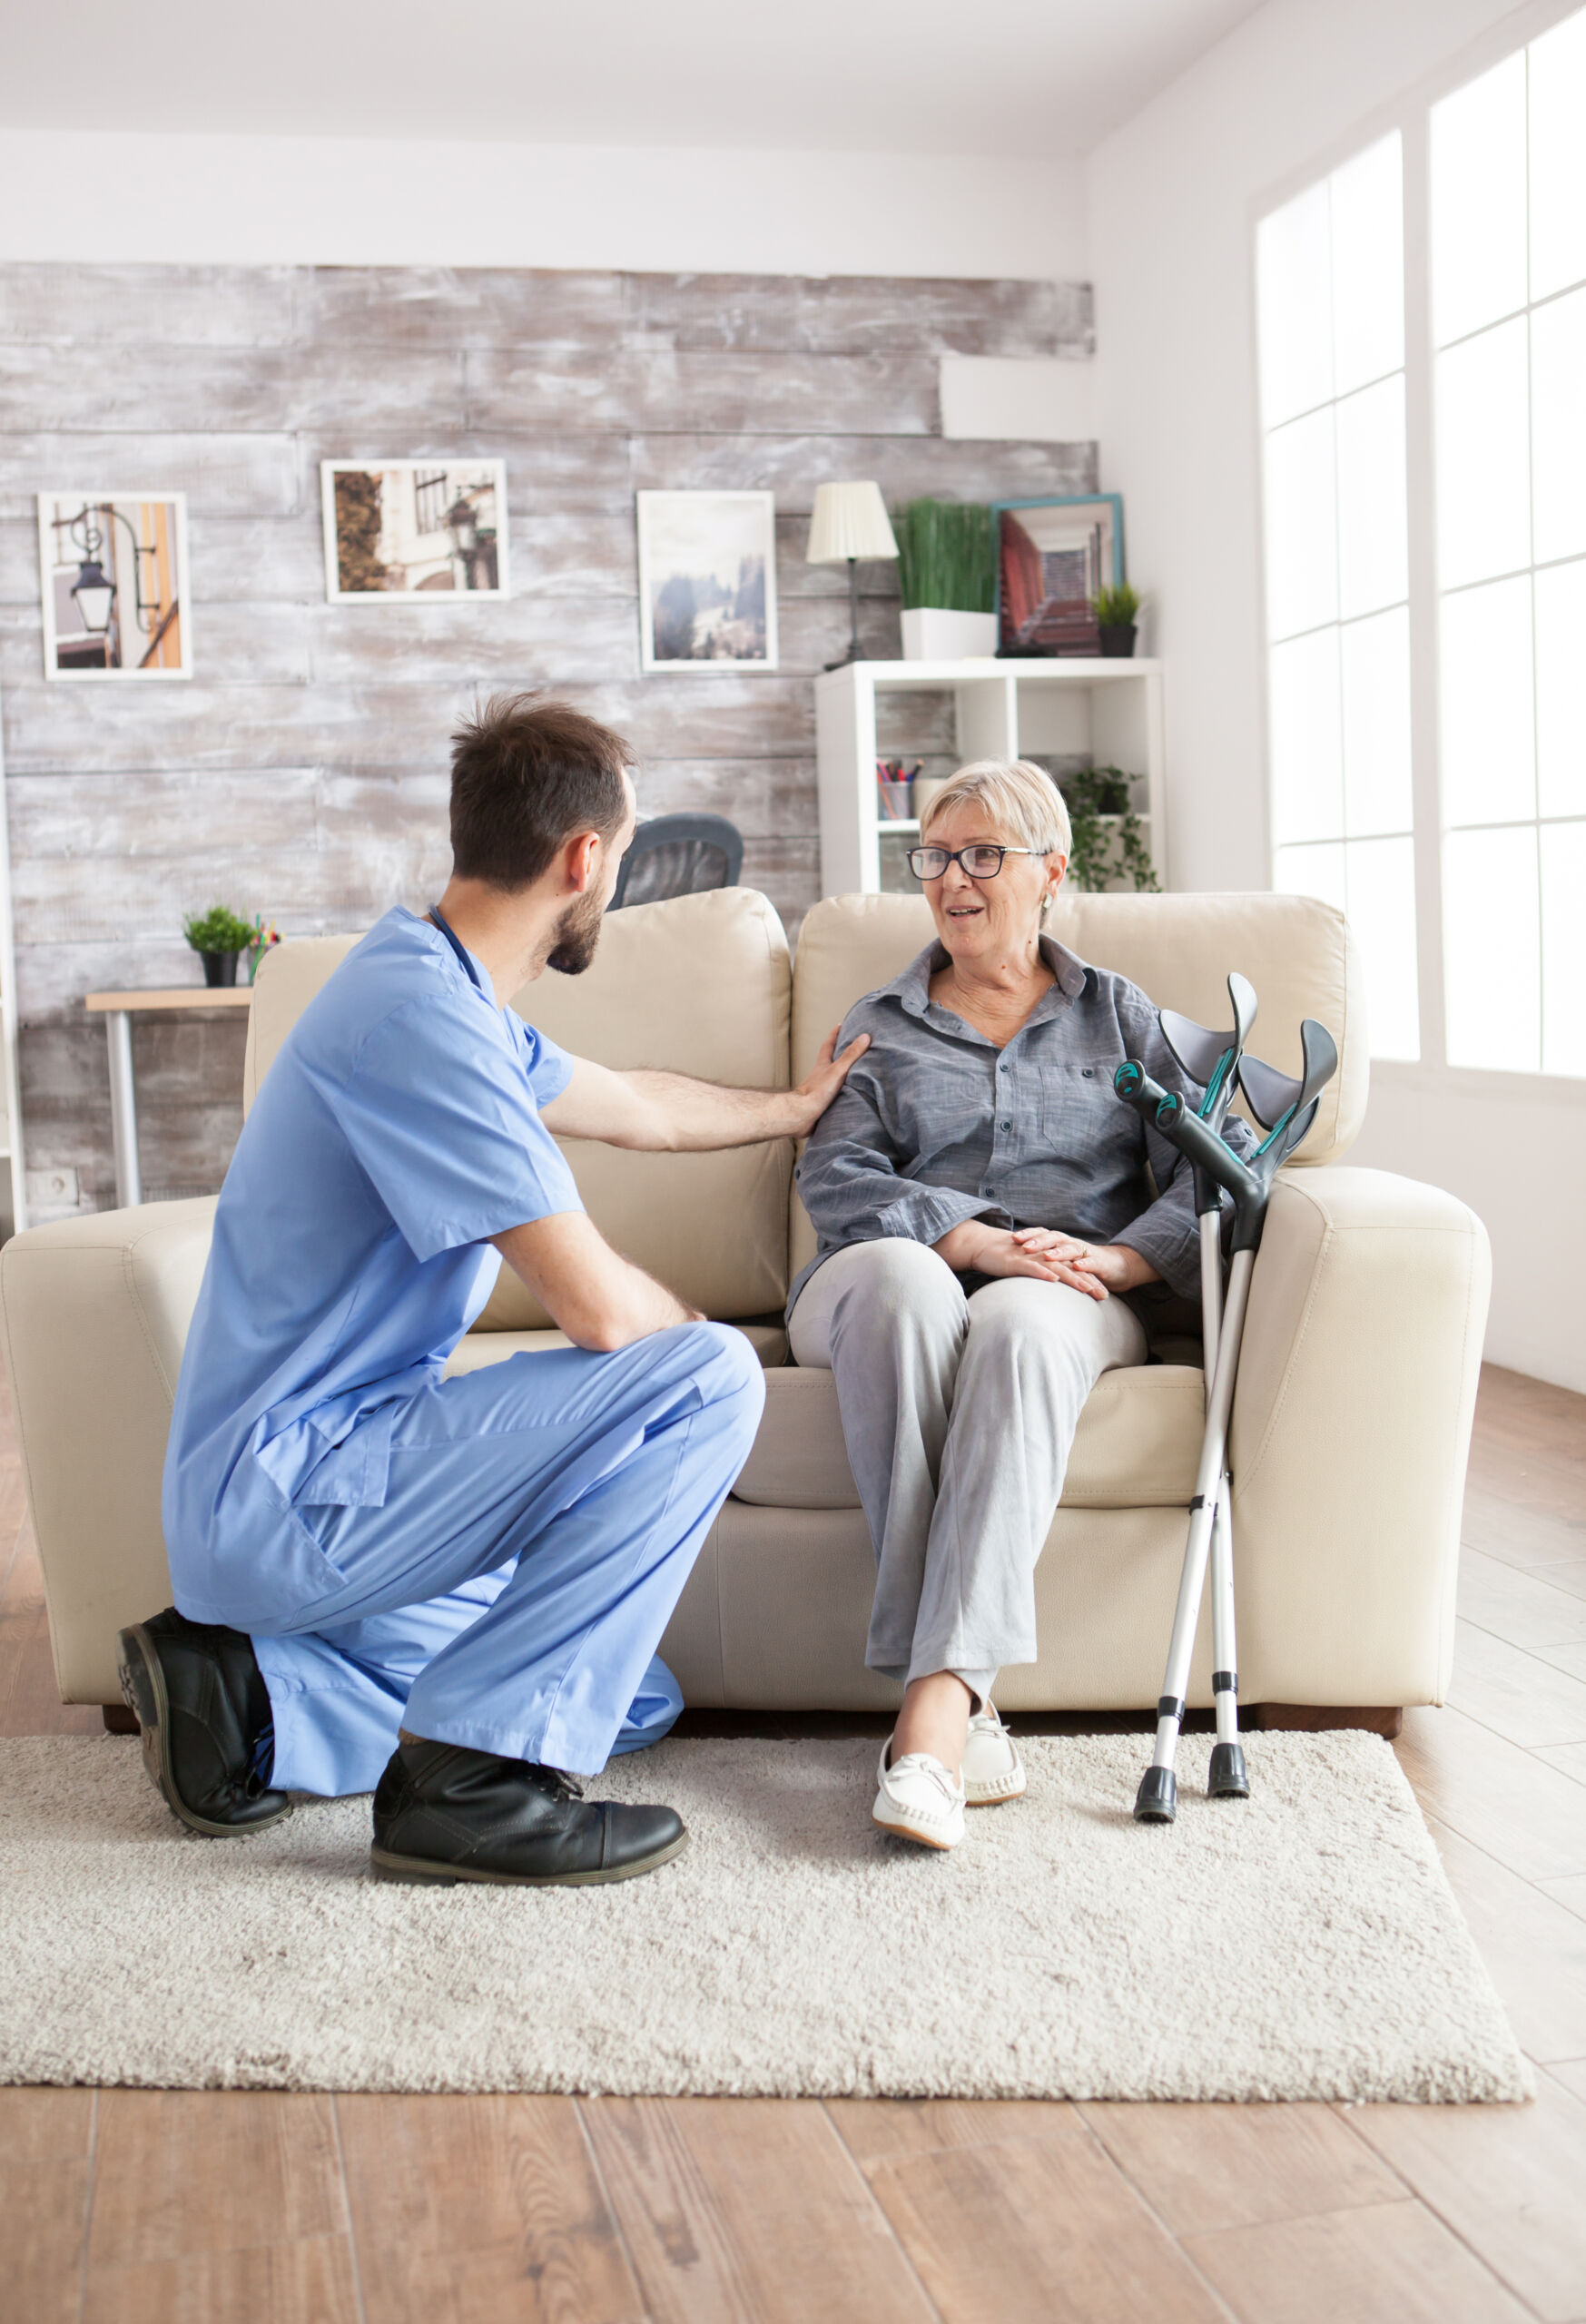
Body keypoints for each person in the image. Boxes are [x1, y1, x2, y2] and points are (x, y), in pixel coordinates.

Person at [119, 694, 866, 1887]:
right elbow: (601, 1317)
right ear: (583, 859)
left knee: (626, 1701)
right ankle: (461, 1791)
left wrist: (790, 1111)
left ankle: (251, 1691)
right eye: (617, 861)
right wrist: (690, 1337)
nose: (610, 888)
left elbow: (638, 1107)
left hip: (303, 1494)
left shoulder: (443, 993)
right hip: (298, 1488)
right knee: (711, 1373)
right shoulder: (420, 1023)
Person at [789, 758, 1253, 1853]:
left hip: (1070, 1286)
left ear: (1050, 873)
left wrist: (1119, 1263)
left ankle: (934, 1713)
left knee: (1020, 1321)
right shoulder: (880, 1020)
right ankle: (953, 1711)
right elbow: (834, 1178)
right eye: (936, 855)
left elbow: (1212, 1170)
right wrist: (972, 1236)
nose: (953, 877)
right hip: (882, 1278)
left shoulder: (1119, 1017)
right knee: (911, 1281)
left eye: (982, 854)